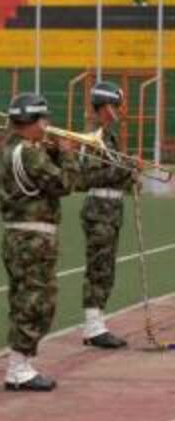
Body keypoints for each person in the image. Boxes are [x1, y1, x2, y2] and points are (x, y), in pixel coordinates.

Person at [0, 93, 78, 392]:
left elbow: (36, 182)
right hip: (33, 238)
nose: (47, 126)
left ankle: (20, 364)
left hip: (16, 235)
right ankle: (18, 368)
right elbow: (64, 184)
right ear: (33, 121)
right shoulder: (29, 152)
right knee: (37, 302)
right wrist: (66, 153)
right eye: (44, 120)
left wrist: (51, 151)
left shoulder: (7, 148)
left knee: (22, 300)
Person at [78, 83, 135, 350]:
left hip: (110, 211)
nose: (118, 113)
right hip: (99, 210)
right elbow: (86, 176)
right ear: (104, 107)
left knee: (106, 268)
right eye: (115, 107)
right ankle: (93, 327)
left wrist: (128, 174)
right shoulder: (94, 137)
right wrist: (124, 170)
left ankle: (97, 322)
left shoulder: (108, 136)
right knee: (99, 268)